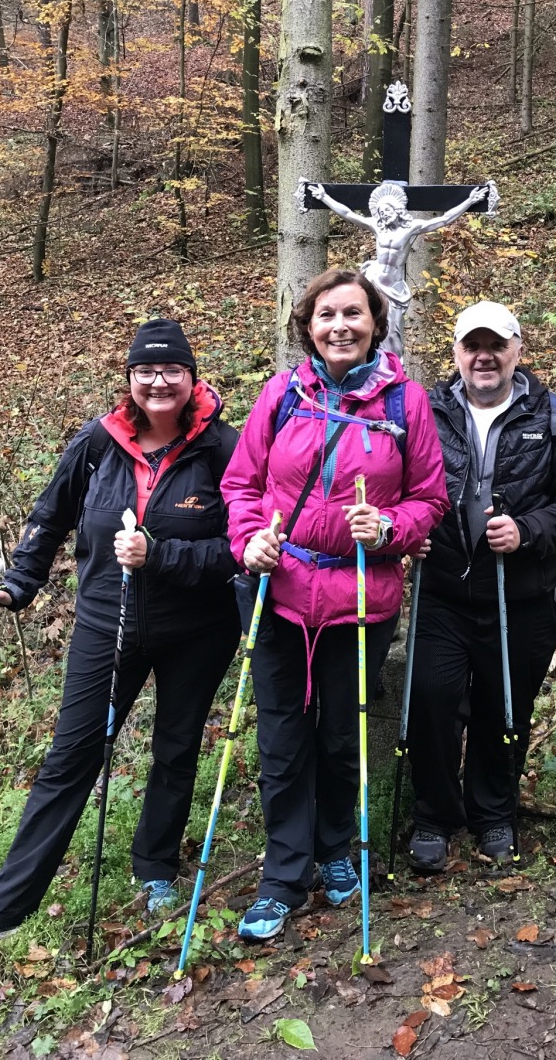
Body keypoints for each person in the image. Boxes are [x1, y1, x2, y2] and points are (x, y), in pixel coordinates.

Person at [0, 320, 241, 961]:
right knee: (70, 761)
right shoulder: (98, 442)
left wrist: (162, 554)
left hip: (199, 630)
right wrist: (16, 585)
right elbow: (49, 519)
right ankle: (0, 910)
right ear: (129, 378)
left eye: (172, 370)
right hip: (106, 625)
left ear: (191, 376)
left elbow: (240, 549)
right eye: (146, 371)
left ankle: (155, 870)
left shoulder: (223, 450)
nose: (159, 381)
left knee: (177, 752)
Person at [221, 270, 448, 941]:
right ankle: (283, 877)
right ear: (308, 327)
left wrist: (390, 531)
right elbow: (241, 484)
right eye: (327, 315)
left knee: (341, 736)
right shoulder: (282, 394)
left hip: (359, 595)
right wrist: (248, 542)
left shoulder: (405, 402)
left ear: (376, 321)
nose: (340, 326)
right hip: (280, 593)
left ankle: (335, 851)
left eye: (353, 313)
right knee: (282, 740)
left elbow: (428, 500)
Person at [406, 301, 556, 871]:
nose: (483, 356)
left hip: (522, 597)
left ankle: (494, 813)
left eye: (496, 345)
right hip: (443, 591)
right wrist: (407, 531)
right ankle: (434, 818)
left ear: (517, 349)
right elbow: (398, 487)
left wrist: (528, 530)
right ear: (457, 353)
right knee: (433, 703)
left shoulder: (553, 415)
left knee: (504, 705)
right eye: (472, 346)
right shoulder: (427, 412)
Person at [302, 181, 493, 355]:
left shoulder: (410, 228)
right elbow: (348, 214)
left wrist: (469, 201)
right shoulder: (377, 226)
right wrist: (323, 197)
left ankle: (394, 366)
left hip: (393, 286)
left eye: (388, 210)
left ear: (397, 209)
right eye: (382, 211)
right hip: (374, 280)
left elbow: (443, 220)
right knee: (366, 323)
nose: (385, 214)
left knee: (392, 332)